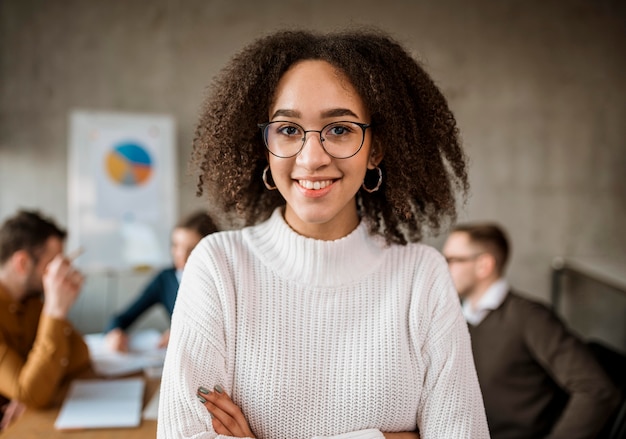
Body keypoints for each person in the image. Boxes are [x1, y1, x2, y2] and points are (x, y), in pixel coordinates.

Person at [157, 29, 490, 439]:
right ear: (265, 146)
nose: (312, 158)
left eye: (339, 129)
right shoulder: (218, 266)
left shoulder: (422, 276)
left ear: (376, 148)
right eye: (288, 130)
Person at [442, 222, 620, 438]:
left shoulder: (530, 319)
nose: (443, 268)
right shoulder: (453, 318)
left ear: (484, 265)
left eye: (451, 260)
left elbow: (596, 390)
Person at [0, 210, 91, 430]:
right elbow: (31, 392)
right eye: (52, 265)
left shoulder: (32, 303)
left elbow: (80, 358)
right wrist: (55, 311)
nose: (59, 275)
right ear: (22, 263)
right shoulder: (43, 306)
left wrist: (34, 388)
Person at [104, 210, 218, 352]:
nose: (180, 255)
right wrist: (114, 332)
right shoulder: (165, 280)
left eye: (192, 248)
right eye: (176, 245)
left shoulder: (220, 282)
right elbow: (124, 317)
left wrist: (183, 335)